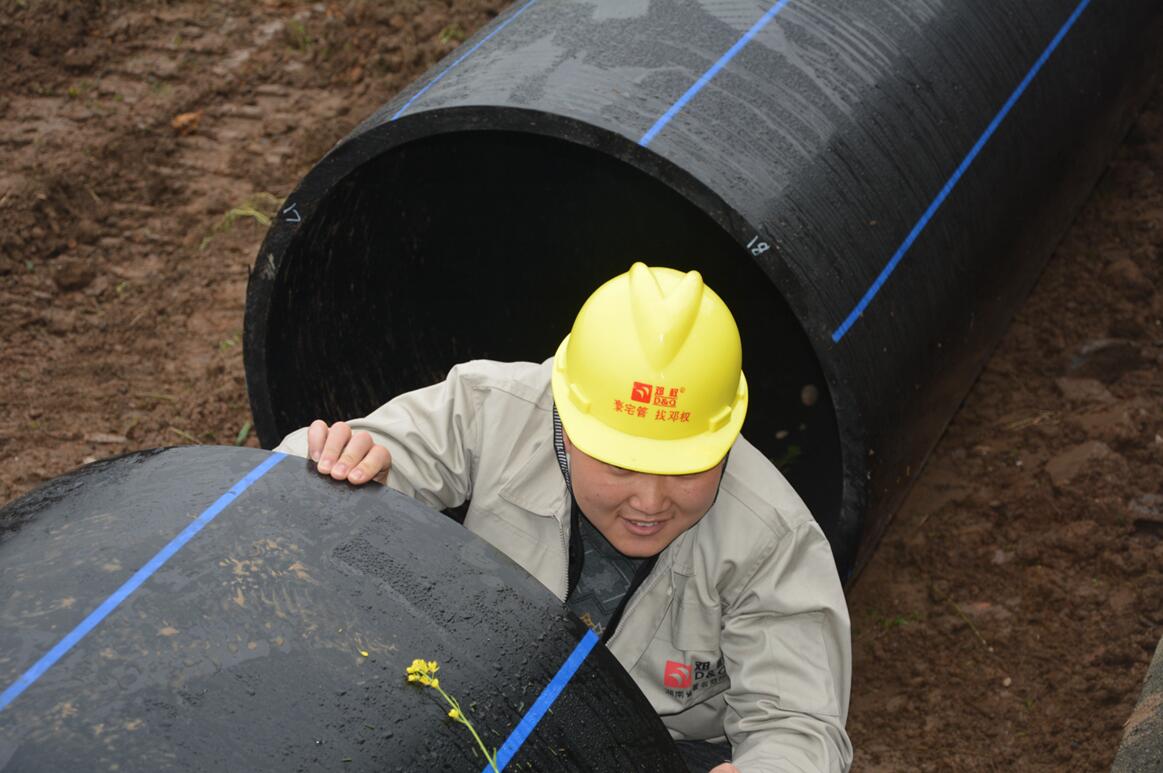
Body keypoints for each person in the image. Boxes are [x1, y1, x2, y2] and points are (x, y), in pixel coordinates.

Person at [275, 263, 852, 772]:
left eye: (684, 468)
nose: (649, 503)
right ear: (566, 418)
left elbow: (800, 726)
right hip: (478, 693)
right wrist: (337, 464)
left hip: (654, 743)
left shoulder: (773, 536)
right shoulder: (489, 409)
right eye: (621, 465)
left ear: (724, 438)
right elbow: (299, 473)